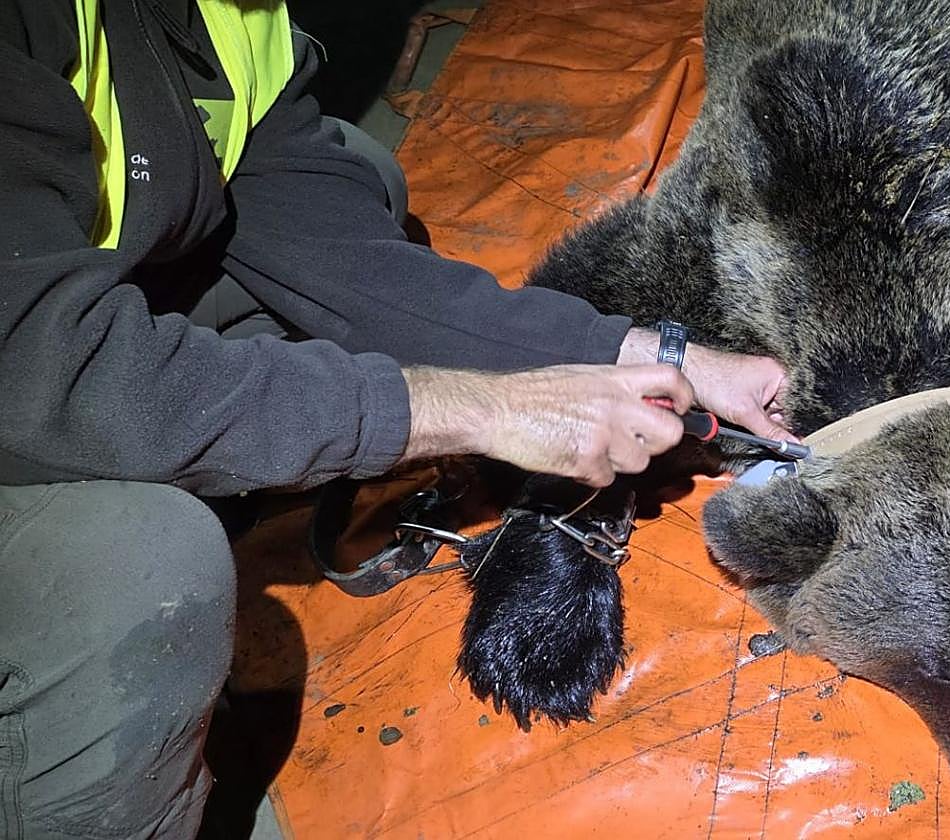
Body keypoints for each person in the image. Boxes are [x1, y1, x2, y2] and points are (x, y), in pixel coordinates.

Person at [0, 1, 795, 837]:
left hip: (50, 297)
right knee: (139, 569)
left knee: (362, 177)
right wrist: (471, 409)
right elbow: (41, 365)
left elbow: (344, 260)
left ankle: (222, 456)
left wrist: (651, 354)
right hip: (30, 368)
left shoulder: (224, 13)